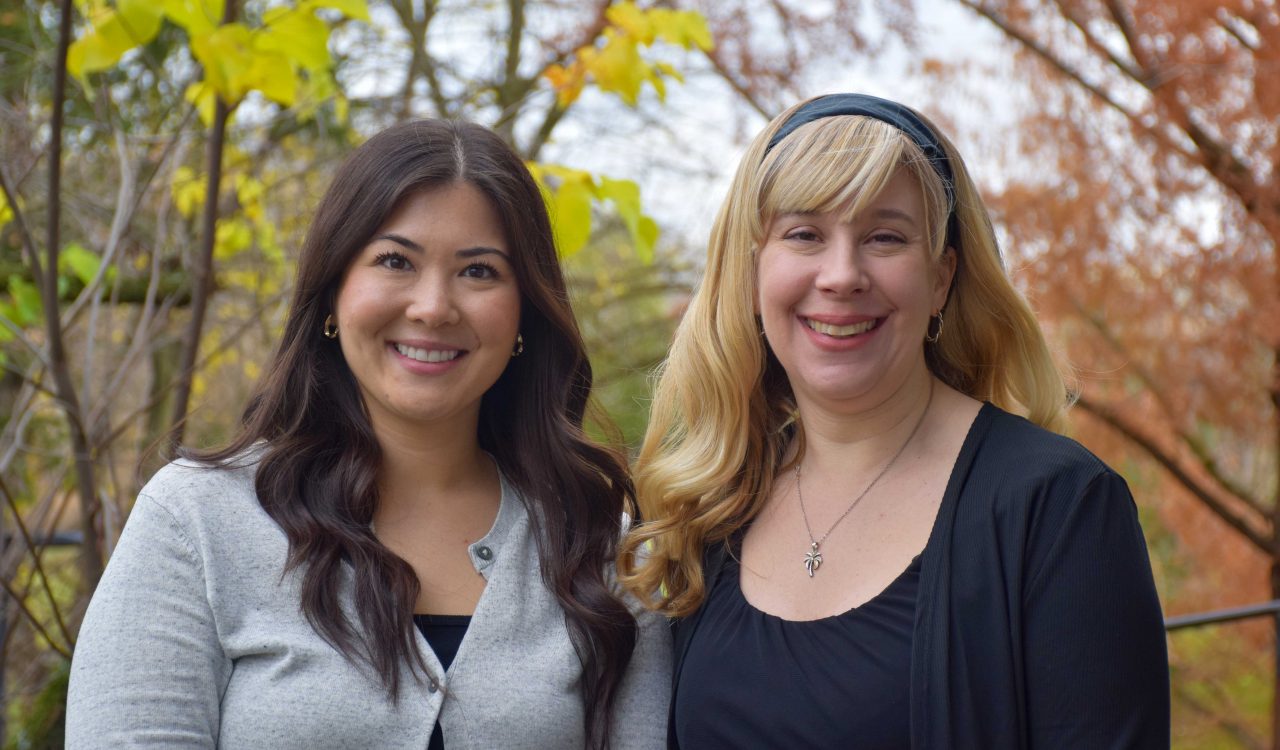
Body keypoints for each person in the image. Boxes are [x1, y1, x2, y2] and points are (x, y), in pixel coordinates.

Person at [67, 119, 671, 749]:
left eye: (480, 272)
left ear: (525, 312)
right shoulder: (196, 520)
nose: (433, 306)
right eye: (394, 261)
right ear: (333, 294)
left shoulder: (605, 552)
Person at [619, 93, 1169, 748]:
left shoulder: (1055, 507)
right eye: (804, 234)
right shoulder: (710, 511)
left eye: (885, 237)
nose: (843, 275)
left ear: (941, 279)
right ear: (751, 273)